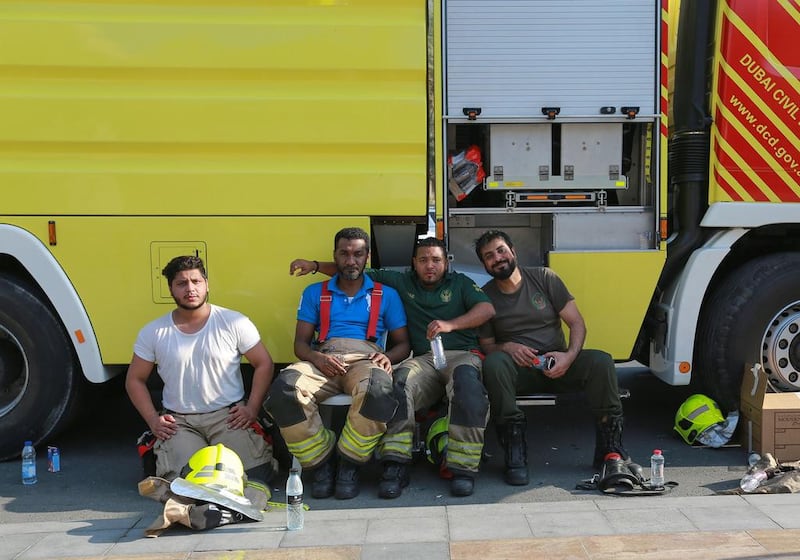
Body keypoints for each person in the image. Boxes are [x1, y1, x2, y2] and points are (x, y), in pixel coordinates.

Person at [291, 236, 494, 497]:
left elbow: (487, 309)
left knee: (468, 387)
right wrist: (315, 265)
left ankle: (463, 469)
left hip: (462, 355)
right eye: (423, 260)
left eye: (436, 260)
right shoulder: (401, 282)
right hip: (424, 358)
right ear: (413, 263)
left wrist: (450, 325)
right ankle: (395, 464)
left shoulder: (461, 284)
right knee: (398, 384)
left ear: (446, 263)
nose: (429, 266)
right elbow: (354, 268)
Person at [473, 230, 629, 486]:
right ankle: (515, 453)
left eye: (501, 250)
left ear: (513, 251)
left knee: (601, 361)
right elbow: (488, 347)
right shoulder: (485, 297)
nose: (497, 258)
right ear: (484, 264)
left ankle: (610, 450)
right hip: (519, 371)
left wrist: (568, 356)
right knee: (494, 363)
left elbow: (577, 323)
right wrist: (508, 347)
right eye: (489, 256)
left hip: (559, 365)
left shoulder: (544, 278)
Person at [267, 227, 410, 500]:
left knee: (379, 391)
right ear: (335, 256)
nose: (350, 260)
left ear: (367, 257)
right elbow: (300, 344)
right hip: (323, 357)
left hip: (366, 358)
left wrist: (387, 357)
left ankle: (349, 463)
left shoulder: (386, 295)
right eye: (344, 254)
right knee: (284, 390)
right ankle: (321, 463)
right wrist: (316, 357)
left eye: (357, 254)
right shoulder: (314, 293)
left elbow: (403, 343)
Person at [125, 255, 277, 485]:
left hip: (229, 417)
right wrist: (153, 420)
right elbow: (135, 379)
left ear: (206, 284)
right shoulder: (153, 332)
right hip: (180, 422)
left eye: (196, 281)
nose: (190, 289)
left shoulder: (233, 322)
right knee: (186, 485)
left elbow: (264, 363)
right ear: (171, 289)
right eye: (181, 283)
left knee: (255, 480)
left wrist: (252, 408)